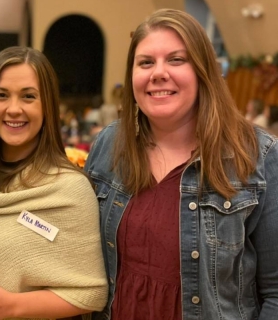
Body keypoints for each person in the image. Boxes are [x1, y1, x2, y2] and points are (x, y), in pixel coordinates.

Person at [85, 8, 278, 320]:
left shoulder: (258, 155)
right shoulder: (109, 144)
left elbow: (276, 292)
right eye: (146, 62)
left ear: (203, 71)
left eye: (176, 60)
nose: (158, 72)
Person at [0, 46, 108, 320]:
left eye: (28, 97)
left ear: (47, 105)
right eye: (1, 96)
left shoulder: (69, 190)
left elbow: (89, 294)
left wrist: (9, 306)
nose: (13, 109)